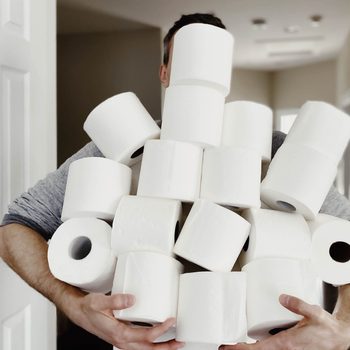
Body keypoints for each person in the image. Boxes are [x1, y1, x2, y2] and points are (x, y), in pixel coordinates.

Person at [1, 12, 350, 350]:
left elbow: (344, 241)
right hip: (146, 334)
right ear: (165, 71)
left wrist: (344, 329)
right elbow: (14, 227)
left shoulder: (277, 151)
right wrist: (74, 306)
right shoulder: (121, 143)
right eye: (189, 59)